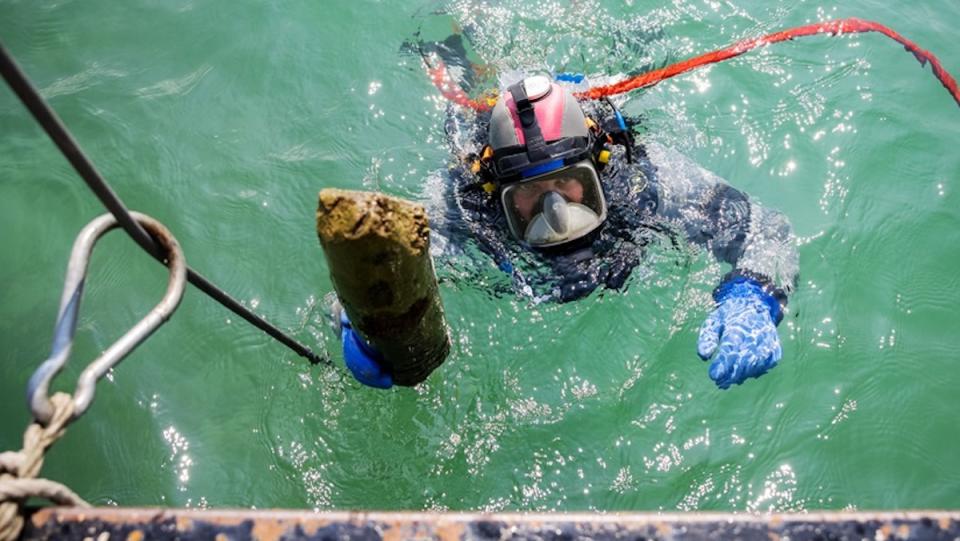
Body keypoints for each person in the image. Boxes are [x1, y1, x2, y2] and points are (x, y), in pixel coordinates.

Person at [338, 72, 799, 391]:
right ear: (496, 191)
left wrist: (754, 295)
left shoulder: (643, 177)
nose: (555, 208)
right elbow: (382, 265)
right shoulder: (463, 205)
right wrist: (361, 324)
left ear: (598, 167)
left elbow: (766, 231)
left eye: (569, 183)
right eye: (531, 194)